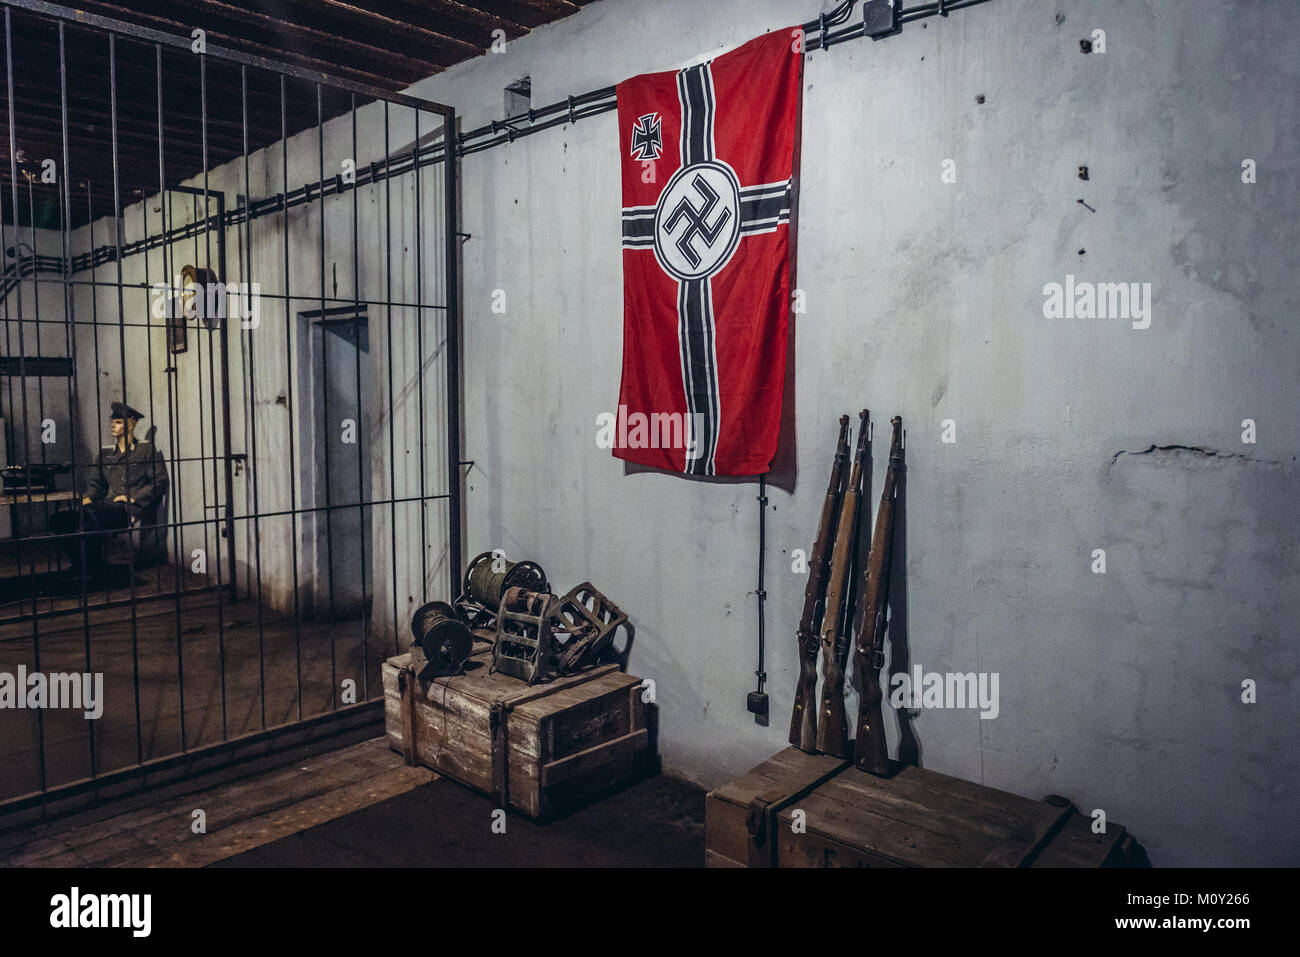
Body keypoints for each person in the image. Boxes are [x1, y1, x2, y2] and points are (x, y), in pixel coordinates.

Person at [49, 401, 170, 581]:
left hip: (129, 508)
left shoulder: (146, 450)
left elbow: (161, 480)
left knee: (90, 516)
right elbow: (95, 486)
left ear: (130, 424)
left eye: (119, 422)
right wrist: (87, 498)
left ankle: (91, 569)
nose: (113, 425)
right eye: (112, 421)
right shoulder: (105, 454)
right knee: (60, 520)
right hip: (105, 506)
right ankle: (86, 565)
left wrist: (133, 498)